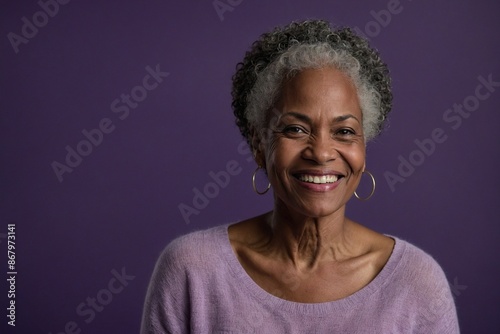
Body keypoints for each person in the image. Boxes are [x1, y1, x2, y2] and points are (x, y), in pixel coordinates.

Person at [141, 20, 459, 333]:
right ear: (259, 144)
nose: (321, 153)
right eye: (295, 129)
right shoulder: (192, 272)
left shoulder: (416, 283)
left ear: (363, 146)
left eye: (344, 131)